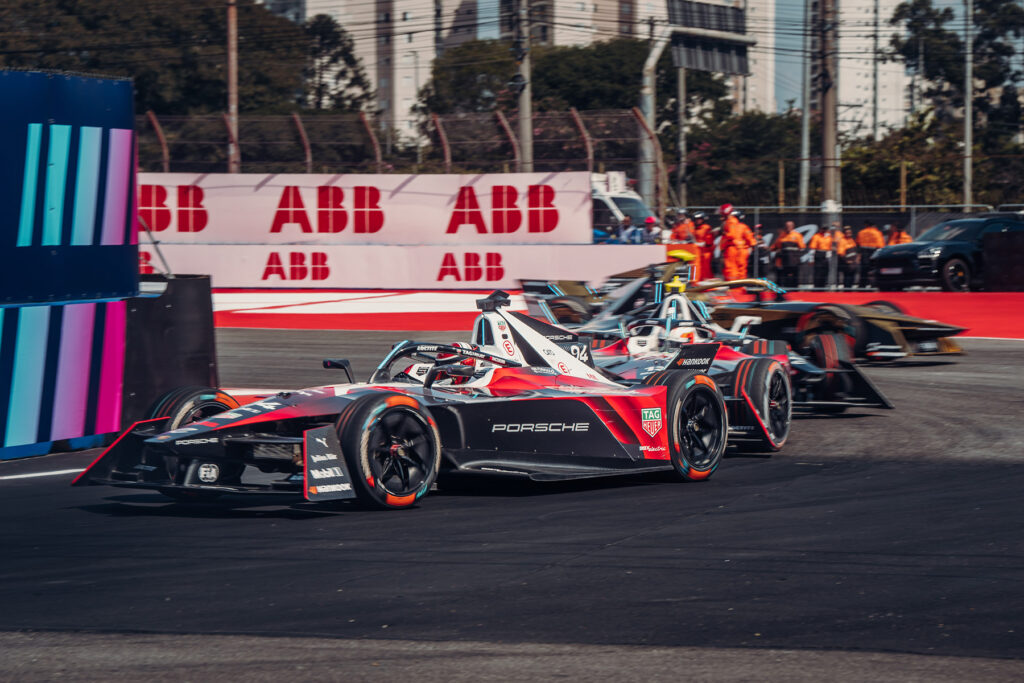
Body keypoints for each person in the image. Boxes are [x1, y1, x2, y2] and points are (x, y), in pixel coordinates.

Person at [772, 220, 805, 288]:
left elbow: (802, 246)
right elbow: (776, 245)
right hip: (784, 260)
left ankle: (795, 289)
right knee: (785, 275)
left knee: (794, 275)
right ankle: (786, 288)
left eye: (789, 226)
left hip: (794, 259)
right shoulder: (782, 235)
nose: (787, 228)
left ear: (793, 227)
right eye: (786, 226)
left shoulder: (797, 235)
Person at [856, 219, 885, 287]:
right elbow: (881, 245)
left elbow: (858, 242)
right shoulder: (877, 233)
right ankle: (873, 285)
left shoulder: (861, 232)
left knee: (863, 270)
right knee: (873, 270)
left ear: (866, 225)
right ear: (873, 225)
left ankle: (862, 286)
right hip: (873, 252)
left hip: (864, 252)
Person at [808, 224, 834, 288]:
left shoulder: (829, 236)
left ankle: (823, 287)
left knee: (825, 272)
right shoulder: (816, 236)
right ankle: (817, 287)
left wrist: (829, 258)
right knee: (818, 272)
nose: (824, 230)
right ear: (820, 229)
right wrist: (811, 259)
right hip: (818, 254)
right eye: (823, 229)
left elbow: (829, 247)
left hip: (826, 255)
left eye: (825, 229)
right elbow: (812, 248)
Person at [692, 212, 714, 280]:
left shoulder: (706, 228)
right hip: (697, 251)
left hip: (706, 252)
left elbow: (709, 241)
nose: (697, 221)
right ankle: (699, 281)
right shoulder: (694, 228)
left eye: (699, 219)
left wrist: (703, 244)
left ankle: (707, 282)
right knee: (698, 267)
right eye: (696, 219)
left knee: (705, 268)